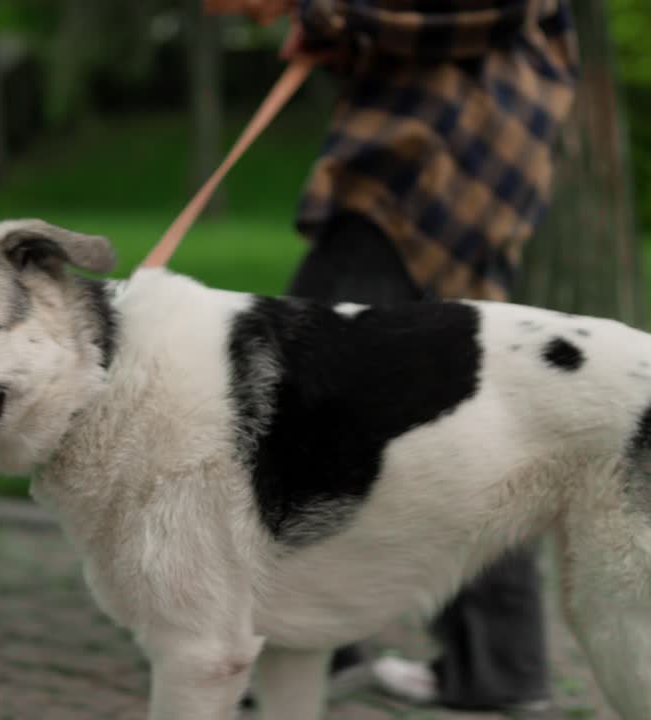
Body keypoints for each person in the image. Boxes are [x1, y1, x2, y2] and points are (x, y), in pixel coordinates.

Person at [205, 0, 578, 712]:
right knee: (460, 429)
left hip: (425, 180)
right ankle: (496, 667)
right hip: (445, 182)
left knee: (294, 404)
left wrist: (322, 13)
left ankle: (319, 642)